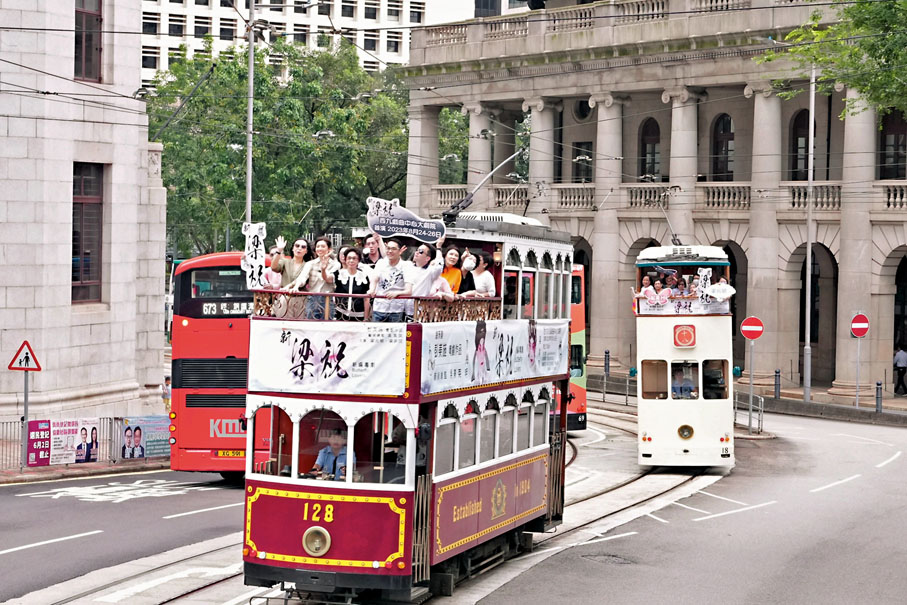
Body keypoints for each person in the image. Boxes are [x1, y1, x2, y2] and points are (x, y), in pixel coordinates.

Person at [287, 236, 341, 320]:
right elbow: (302, 277)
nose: (320, 249)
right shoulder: (310, 264)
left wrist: (323, 269)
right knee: (310, 324)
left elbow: (330, 279)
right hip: (312, 298)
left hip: (327, 299)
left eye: (323, 246)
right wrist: (296, 287)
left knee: (327, 324)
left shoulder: (336, 264)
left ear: (329, 249)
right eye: (318, 246)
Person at [369, 238, 413, 322]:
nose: (390, 251)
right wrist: (372, 289)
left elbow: (409, 291)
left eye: (393, 249)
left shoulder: (406, 266)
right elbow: (374, 279)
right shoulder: (381, 263)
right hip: (379, 307)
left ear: (400, 251)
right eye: (388, 248)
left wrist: (397, 293)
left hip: (396, 309)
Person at [326, 248, 371, 320]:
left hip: (358, 315)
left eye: (354, 258)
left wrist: (366, 318)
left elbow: (366, 299)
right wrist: (323, 269)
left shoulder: (364, 276)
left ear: (358, 260)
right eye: (349, 258)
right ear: (346, 260)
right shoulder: (339, 274)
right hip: (340, 314)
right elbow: (327, 279)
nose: (351, 260)